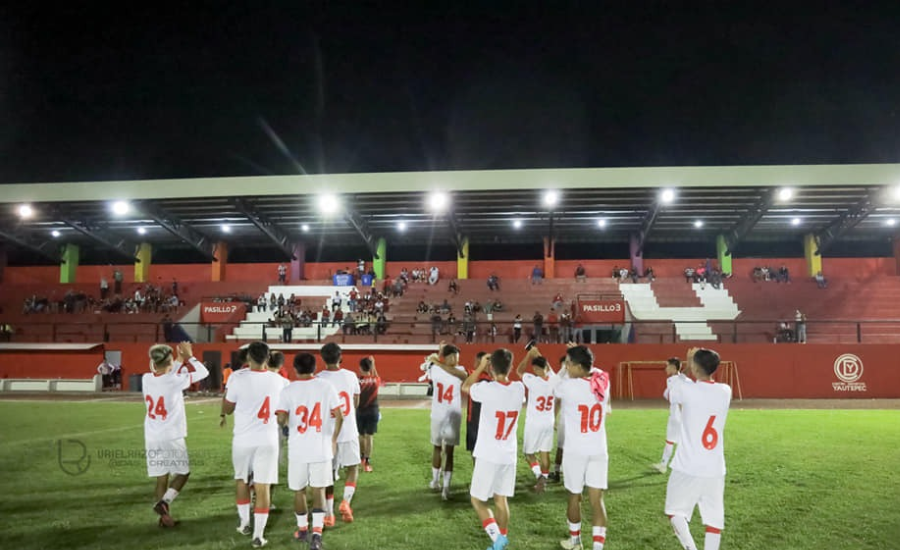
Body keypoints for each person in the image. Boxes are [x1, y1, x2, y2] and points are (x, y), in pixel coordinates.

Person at [220, 341, 290, 547]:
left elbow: (228, 408)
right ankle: (258, 535)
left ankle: (244, 524)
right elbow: (283, 415)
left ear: (248, 357)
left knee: (241, 480)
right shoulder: (280, 381)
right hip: (268, 438)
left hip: (243, 438)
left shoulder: (236, 378)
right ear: (268, 358)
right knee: (263, 486)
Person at [665, 348, 732, 550]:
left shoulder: (686, 389)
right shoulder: (725, 391)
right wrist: (692, 365)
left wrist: (685, 366)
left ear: (694, 366)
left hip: (687, 465)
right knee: (713, 522)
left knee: (674, 512)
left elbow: (670, 394)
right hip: (714, 467)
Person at [276, 352, 344, 550]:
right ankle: (316, 534)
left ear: (295, 368)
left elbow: (280, 418)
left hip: (298, 447)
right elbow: (340, 416)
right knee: (319, 489)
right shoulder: (326, 386)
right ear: (314, 367)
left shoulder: (288, 390)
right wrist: (333, 438)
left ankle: (302, 529)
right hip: (321, 445)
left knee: (299, 490)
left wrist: (288, 422)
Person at [462, 349, 526, 550]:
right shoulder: (518, 388)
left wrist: (481, 366)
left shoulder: (486, 389)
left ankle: (498, 539)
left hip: (488, 454)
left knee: (477, 500)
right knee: (501, 498)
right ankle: (502, 539)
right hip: (508, 454)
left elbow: (466, 386)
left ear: (491, 366)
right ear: (511, 366)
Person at [551, 345, 611, 550]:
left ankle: (576, 542)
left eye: (568, 363)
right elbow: (597, 371)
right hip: (598, 449)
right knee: (597, 500)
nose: (566, 367)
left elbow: (556, 386)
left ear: (577, 366)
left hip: (576, 451)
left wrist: (565, 371)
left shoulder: (568, 386)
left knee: (574, 496)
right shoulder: (603, 380)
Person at [143, 342, 209, 528]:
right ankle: (164, 503)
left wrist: (178, 359)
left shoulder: (147, 378)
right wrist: (189, 357)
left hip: (152, 435)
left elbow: (167, 372)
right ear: (170, 362)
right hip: (171, 435)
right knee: (182, 473)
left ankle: (164, 519)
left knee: (161, 477)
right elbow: (203, 373)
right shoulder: (175, 380)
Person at [316, 343, 361, 525]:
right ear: (340, 356)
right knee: (352, 468)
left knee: (328, 473)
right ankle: (346, 502)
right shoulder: (350, 376)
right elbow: (356, 401)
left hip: (328, 433)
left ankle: (328, 513)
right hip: (349, 429)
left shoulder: (318, 379)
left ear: (323, 358)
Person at [424, 343, 467, 500]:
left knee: (446, 450)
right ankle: (439, 483)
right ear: (447, 357)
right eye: (453, 356)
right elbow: (459, 375)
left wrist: (436, 360)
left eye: (457, 356)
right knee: (441, 449)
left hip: (441, 414)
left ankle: (443, 485)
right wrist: (437, 359)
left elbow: (429, 366)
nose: (456, 359)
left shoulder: (437, 368)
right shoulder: (457, 370)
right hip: (449, 414)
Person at [516, 347, 555, 492]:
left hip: (534, 423)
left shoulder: (533, 381)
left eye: (535, 369)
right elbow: (548, 368)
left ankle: (539, 476)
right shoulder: (554, 379)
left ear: (537, 369)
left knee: (529, 453)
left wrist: (528, 355)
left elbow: (519, 371)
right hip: (548, 422)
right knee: (545, 453)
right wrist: (538, 353)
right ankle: (544, 481)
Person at [653, 357, 688, 473]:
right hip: (682, 415)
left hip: (676, 416)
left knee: (671, 440)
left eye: (667, 365)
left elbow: (677, 400)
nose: (665, 368)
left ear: (673, 368)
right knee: (678, 441)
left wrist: (682, 416)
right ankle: (666, 464)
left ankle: (665, 465)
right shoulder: (683, 380)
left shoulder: (673, 381)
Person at [465, 351, 491, 461]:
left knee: (485, 452)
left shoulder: (492, 379)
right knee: (474, 451)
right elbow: (465, 382)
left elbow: (466, 386)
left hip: (485, 420)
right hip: (474, 420)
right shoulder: (473, 374)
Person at [357, 356, 381, 472]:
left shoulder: (357, 380)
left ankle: (361, 457)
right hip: (373, 410)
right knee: (369, 436)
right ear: (370, 368)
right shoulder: (376, 380)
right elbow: (375, 375)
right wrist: (374, 364)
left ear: (360, 367)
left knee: (360, 435)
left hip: (360, 410)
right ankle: (367, 462)